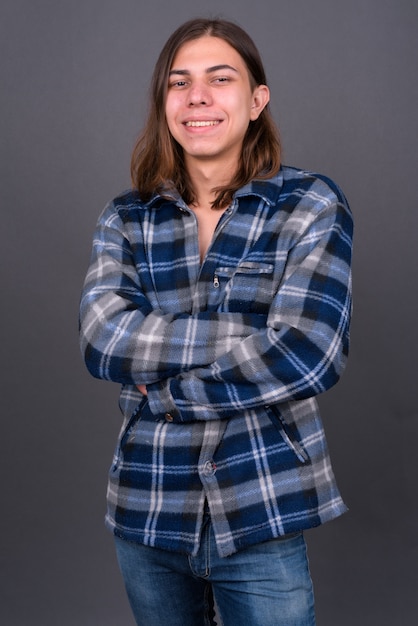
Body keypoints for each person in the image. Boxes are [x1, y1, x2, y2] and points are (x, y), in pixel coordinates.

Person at [79, 17, 353, 626]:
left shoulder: (309, 205)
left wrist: (169, 391)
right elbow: (102, 340)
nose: (197, 96)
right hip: (147, 507)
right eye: (179, 82)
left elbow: (310, 352)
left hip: (262, 505)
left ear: (257, 100)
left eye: (219, 78)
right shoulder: (126, 218)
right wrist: (248, 334)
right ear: (164, 103)